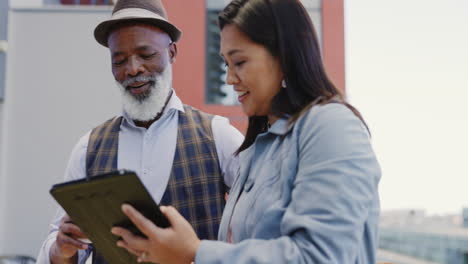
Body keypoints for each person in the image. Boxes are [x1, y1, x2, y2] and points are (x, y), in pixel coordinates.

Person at [111, 0, 382, 263]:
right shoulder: (257, 149)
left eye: (239, 63)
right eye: (226, 65)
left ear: (284, 57)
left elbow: (321, 257)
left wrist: (195, 252)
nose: (230, 79)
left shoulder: (330, 126)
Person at [36, 0, 243, 263]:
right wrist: (60, 250)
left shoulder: (219, 136)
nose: (133, 69)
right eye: (119, 60)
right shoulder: (89, 147)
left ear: (172, 53)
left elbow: (262, 229)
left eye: (146, 55)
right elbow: (57, 248)